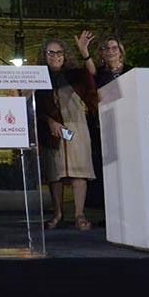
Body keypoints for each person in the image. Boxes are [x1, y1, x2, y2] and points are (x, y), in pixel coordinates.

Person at [36, 32, 98, 232]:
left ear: (65, 55)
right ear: (44, 55)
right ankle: (58, 215)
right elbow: (34, 106)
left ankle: (79, 215)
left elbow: (92, 74)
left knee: (79, 173)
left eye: (59, 52)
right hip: (52, 132)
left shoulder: (77, 74)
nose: (55, 56)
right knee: (56, 173)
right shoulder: (38, 77)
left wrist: (84, 52)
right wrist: (49, 121)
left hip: (76, 127)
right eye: (50, 52)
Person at [88, 35, 132, 214]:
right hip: (105, 127)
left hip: (128, 127)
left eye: (114, 48)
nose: (111, 51)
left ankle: (129, 209)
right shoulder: (98, 74)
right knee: (109, 172)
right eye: (106, 48)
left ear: (121, 52)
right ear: (102, 54)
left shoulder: (132, 72)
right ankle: (112, 213)